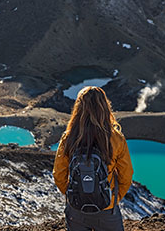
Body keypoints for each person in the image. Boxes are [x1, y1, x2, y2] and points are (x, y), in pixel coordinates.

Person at [53, 86, 133, 231]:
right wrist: (114, 199)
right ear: (104, 107)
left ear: (78, 108)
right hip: (107, 209)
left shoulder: (69, 138)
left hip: (76, 210)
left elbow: (59, 174)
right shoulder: (115, 138)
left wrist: (75, 194)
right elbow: (126, 175)